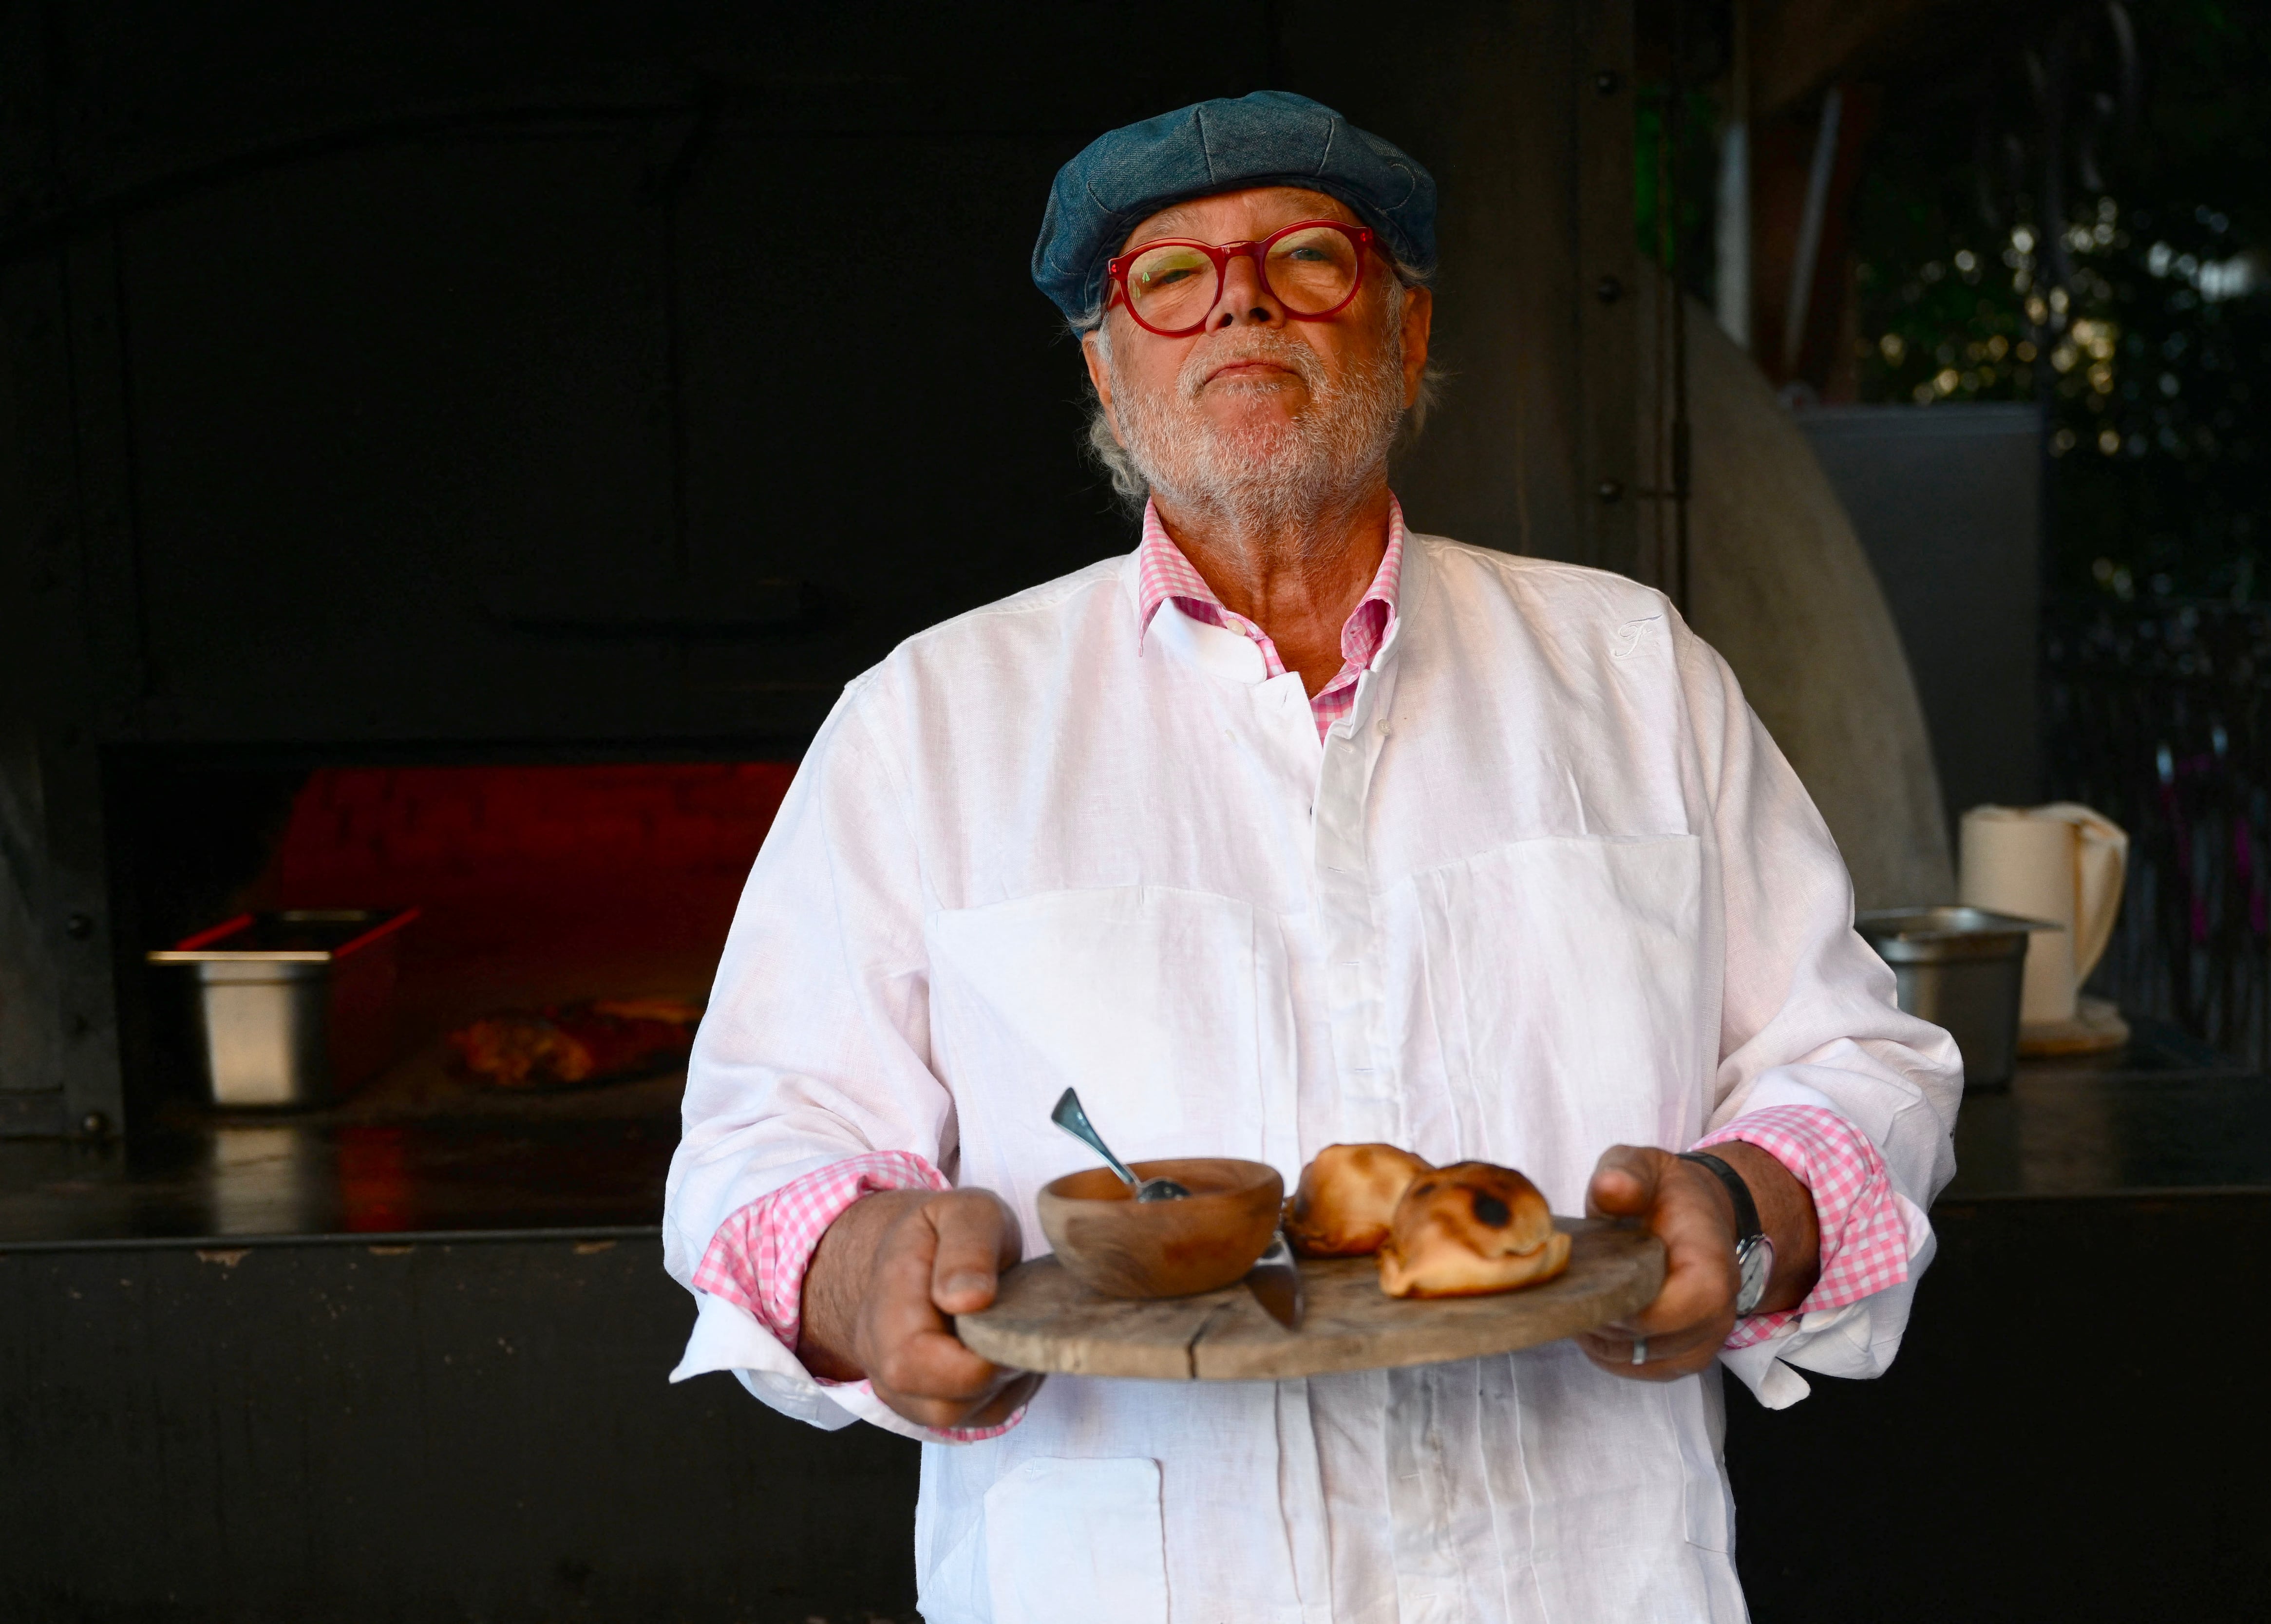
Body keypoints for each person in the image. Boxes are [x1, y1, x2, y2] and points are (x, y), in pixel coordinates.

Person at [665, 90, 1963, 1624]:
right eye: (1171, 275)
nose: (1243, 305)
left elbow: (1857, 1063)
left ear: (1407, 336)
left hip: (1576, 1578)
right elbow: (761, 1147)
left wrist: (1748, 1220)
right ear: (1104, 363)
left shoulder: (1635, 673)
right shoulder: (928, 722)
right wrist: (867, 1268)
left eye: (1308, 261)